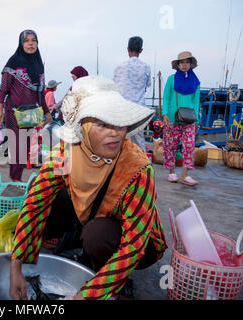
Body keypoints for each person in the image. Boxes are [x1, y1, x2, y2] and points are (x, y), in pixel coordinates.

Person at [9, 76, 167, 301]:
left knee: (97, 234)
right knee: (44, 192)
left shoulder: (138, 170)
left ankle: (114, 281)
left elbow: (134, 245)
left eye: (119, 123)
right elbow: (35, 204)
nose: (116, 133)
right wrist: (16, 266)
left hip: (140, 243)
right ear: (82, 128)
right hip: (91, 215)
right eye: (103, 124)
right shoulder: (67, 153)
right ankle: (81, 249)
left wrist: (87, 295)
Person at [0, 29, 53, 182]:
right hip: (13, 110)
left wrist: (47, 113)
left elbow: (40, 92)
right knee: (17, 144)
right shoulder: (13, 62)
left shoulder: (38, 65)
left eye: (33, 40)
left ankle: (17, 176)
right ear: (21, 43)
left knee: (26, 144)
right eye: (27, 40)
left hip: (30, 113)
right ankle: (15, 178)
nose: (30, 43)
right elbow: (4, 88)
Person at [162, 51, 201, 186]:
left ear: (191, 64)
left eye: (187, 62)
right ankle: (172, 172)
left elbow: (196, 103)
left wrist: (197, 121)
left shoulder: (196, 82)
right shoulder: (171, 79)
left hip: (190, 119)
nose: (184, 65)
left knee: (189, 145)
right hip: (172, 118)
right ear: (177, 65)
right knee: (170, 146)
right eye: (182, 63)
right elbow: (166, 98)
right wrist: (165, 114)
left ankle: (185, 175)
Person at [113, 36, 152, 152]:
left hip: (122, 109)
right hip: (139, 110)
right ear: (141, 50)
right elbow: (147, 84)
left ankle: (120, 167)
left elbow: (114, 88)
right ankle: (143, 167)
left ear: (127, 49)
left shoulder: (119, 67)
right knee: (139, 141)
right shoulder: (146, 67)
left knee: (120, 139)